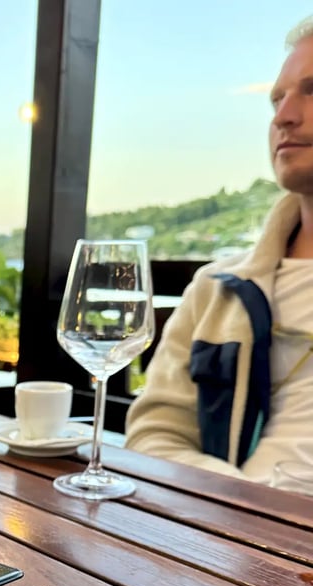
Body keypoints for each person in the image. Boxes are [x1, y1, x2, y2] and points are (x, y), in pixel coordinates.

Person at [125, 17, 313, 484]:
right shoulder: (217, 291)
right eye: (276, 99)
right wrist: (250, 507)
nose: (283, 116)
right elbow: (154, 435)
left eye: (312, 91)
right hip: (247, 545)